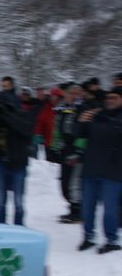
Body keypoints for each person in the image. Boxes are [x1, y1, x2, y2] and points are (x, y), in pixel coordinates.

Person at [75, 87, 122, 253]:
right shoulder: (97, 115)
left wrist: (99, 120)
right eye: (108, 97)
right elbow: (80, 135)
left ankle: (112, 239)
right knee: (87, 208)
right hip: (91, 169)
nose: (110, 100)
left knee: (110, 210)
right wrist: (81, 121)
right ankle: (88, 237)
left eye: (114, 97)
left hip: (113, 172)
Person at [0, 79, 34, 226]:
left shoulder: (21, 114)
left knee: (18, 201)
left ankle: (18, 229)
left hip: (18, 164)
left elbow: (26, 132)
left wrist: (7, 115)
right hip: (1, 163)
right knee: (1, 201)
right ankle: (1, 228)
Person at [52, 84, 84, 223]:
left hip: (77, 150)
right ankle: (73, 206)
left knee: (74, 183)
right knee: (64, 183)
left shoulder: (82, 109)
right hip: (65, 148)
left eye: (76, 93)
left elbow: (84, 130)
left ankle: (77, 211)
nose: (73, 96)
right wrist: (54, 147)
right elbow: (57, 129)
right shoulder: (63, 109)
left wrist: (79, 150)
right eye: (70, 93)